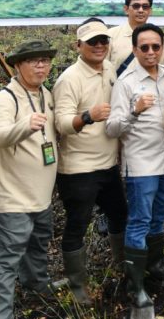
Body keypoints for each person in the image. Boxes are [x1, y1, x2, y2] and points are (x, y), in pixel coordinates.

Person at [0, 40, 59, 319]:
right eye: (33, 62)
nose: (40, 66)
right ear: (18, 66)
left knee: (38, 246)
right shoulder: (6, 99)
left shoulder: (46, 94)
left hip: (40, 195)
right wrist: (24, 126)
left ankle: (36, 286)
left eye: (44, 61)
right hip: (11, 198)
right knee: (4, 265)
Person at [52, 19, 129, 304]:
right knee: (77, 224)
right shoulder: (69, 79)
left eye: (104, 41)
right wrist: (86, 116)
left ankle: (121, 266)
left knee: (119, 215)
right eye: (92, 42)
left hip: (108, 164)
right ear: (78, 46)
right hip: (78, 169)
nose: (99, 46)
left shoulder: (109, 68)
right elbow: (60, 124)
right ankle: (77, 285)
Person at [106, 24, 164, 305]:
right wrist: (134, 111)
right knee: (139, 221)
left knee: (159, 216)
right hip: (141, 166)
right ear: (135, 50)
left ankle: (156, 266)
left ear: (162, 48)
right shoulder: (125, 82)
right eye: (145, 47)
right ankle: (135, 285)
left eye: (156, 47)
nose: (151, 52)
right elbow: (113, 128)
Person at [109, 0, 164, 75]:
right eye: (136, 6)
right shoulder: (111, 35)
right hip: (117, 88)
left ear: (150, 11)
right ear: (126, 9)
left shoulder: (159, 38)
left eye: (145, 7)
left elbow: (163, 71)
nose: (141, 10)